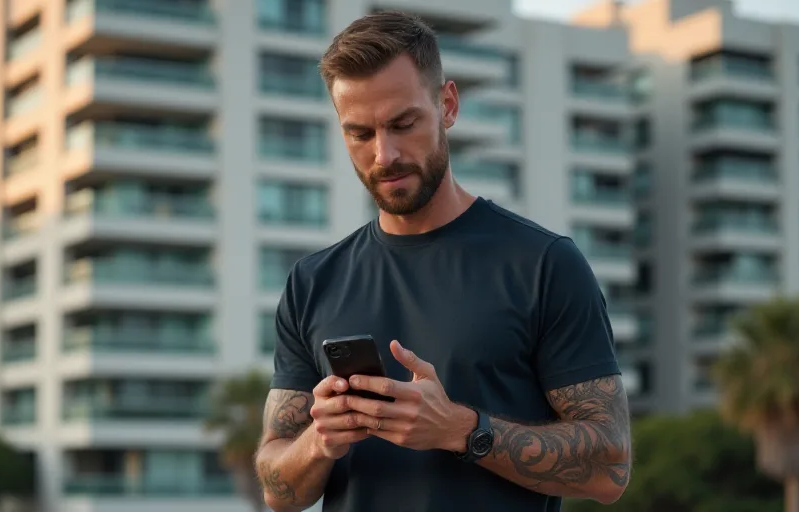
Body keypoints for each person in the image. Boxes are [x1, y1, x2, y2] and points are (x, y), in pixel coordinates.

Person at [254, 10, 632, 512]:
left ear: (447, 105)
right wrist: (319, 441)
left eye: (403, 124)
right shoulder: (312, 281)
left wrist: (461, 430)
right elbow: (278, 490)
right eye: (360, 134)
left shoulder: (543, 264)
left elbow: (610, 469)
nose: (384, 154)